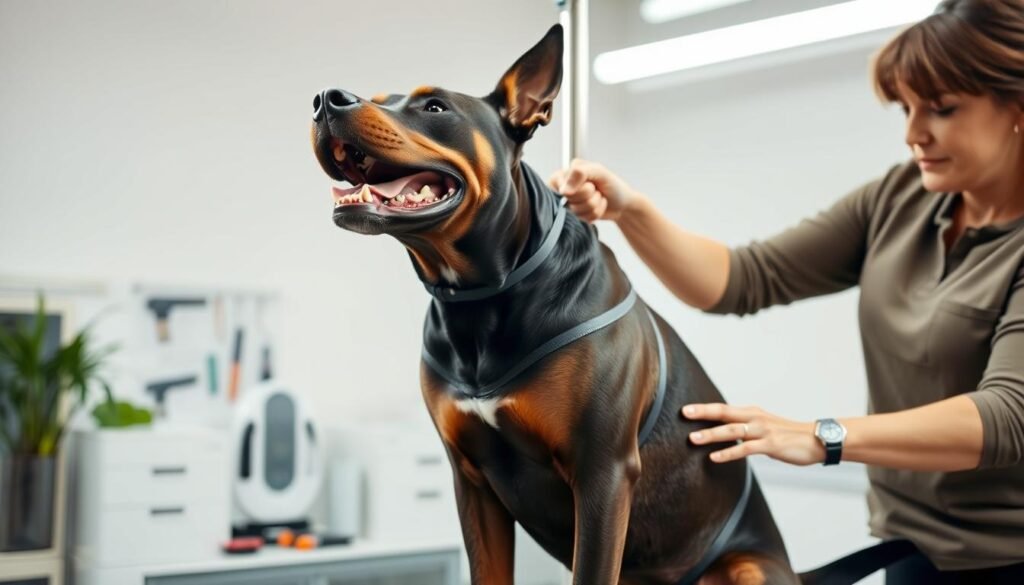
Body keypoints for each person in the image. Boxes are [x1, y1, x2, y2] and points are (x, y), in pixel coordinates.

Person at [548, 0, 1024, 582]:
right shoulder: (901, 199)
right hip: (909, 550)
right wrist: (631, 209)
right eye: (906, 107)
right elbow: (742, 278)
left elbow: (1006, 417)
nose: (913, 133)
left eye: (943, 109)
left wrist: (820, 437)